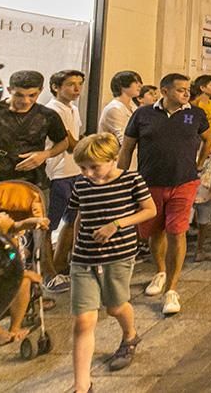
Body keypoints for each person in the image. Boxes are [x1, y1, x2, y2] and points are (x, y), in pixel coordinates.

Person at [68, 133, 156, 393]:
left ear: (113, 159)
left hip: (118, 255)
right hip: (84, 258)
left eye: (94, 167)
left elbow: (149, 210)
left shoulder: (131, 180)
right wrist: (73, 248)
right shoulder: (82, 185)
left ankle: (130, 334)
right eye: (83, 168)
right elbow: (80, 216)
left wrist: (116, 224)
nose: (88, 173)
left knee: (115, 307)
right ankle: (81, 384)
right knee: (83, 320)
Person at [119, 73, 211, 316]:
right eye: (181, 90)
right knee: (154, 230)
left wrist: (199, 163)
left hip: (184, 181)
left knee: (177, 230)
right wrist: (119, 180)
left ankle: (172, 288)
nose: (186, 94)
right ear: (165, 91)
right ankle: (160, 271)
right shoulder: (143, 115)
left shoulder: (194, 114)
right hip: (150, 182)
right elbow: (127, 147)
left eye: (187, 90)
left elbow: (207, 139)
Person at [0, 70, 70, 292]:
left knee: (40, 228)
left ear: (39, 93)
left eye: (32, 95)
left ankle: (45, 276)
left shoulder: (47, 116)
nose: (25, 101)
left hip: (33, 181)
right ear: (9, 91)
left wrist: (43, 155)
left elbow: (63, 142)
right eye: (19, 95)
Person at [0, 207, 49, 345]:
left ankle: (15, 328)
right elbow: (0, 271)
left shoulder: (10, 232)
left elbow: (23, 224)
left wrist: (39, 220)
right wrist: (27, 272)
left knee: (25, 282)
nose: (4, 213)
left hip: (6, 291)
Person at [44, 70, 85, 276]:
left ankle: (60, 263)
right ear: (55, 87)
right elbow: (70, 144)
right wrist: (87, 146)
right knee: (49, 224)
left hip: (74, 170)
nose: (76, 89)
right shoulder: (53, 110)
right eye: (70, 84)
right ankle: (47, 270)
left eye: (79, 84)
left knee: (72, 218)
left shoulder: (73, 109)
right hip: (58, 172)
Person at [98, 70, 142, 151]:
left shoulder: (133, 106)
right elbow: (123, 140)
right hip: (114, 155)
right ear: (123, 85)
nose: (140, 85)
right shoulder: (114, 108)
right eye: (136, 82)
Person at [192, 140, 211, 262]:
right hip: (191, 193)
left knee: (204, 223)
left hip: (206, 194)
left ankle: (199, 250)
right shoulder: (192, 156)